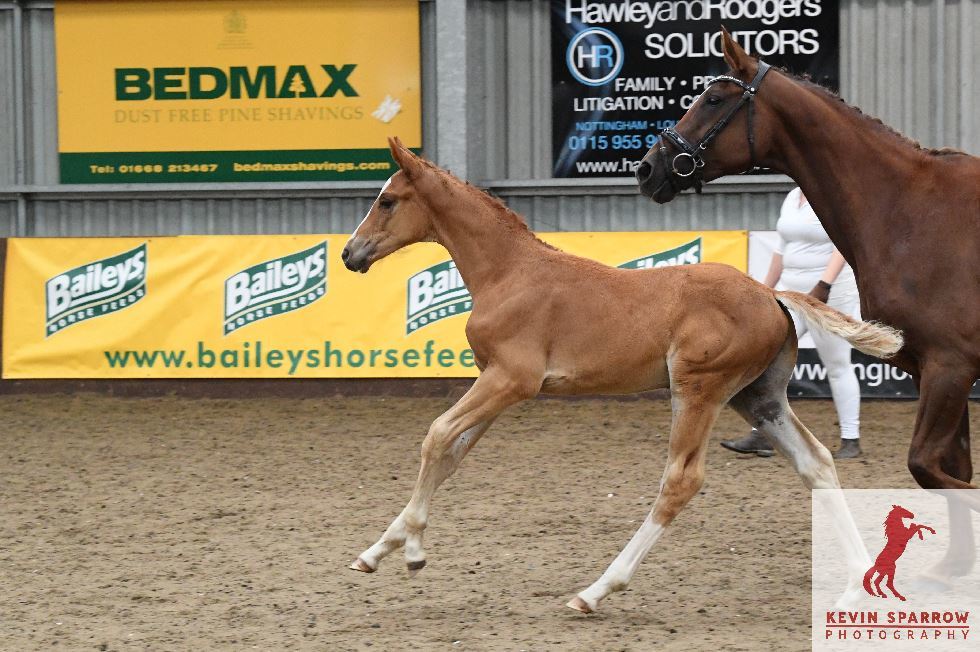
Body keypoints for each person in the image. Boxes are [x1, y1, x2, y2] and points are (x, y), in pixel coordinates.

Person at [721, 187, 863, 459]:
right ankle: (762, 434)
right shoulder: (792, 197)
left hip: (829, 293)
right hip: (792, 292)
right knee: (766, 360)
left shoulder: (830, 194)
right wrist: (763, 290)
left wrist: (824, 284)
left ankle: (850, 439)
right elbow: (781, 249)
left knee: (836, 364)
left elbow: (842, 244)